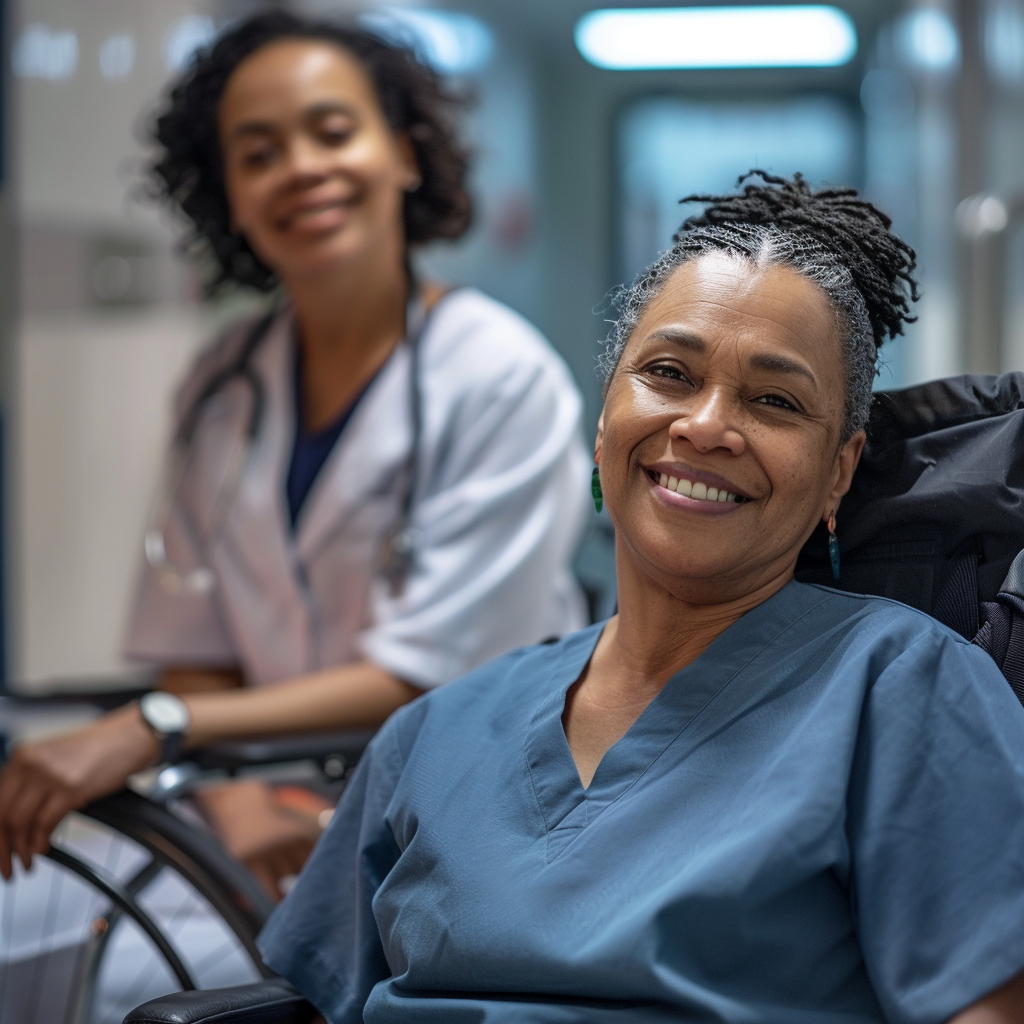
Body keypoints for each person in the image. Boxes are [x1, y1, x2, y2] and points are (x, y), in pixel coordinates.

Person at [258, 173, 1024, 1024]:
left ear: (838, 471)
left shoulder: (908, 689)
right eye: (668, 373)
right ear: (604, 419)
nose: (704, 425)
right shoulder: (435, 733)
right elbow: (310, 1002)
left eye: (774, 400)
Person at [0, 12, 590, 892]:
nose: (302, 168)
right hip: (268, 817)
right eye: (258, 151)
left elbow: (421, 675)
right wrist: (240, 817)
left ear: (404, 152)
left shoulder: (501, 376)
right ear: (229, 193)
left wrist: (156, 725)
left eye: (333, 130)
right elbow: (191, 632)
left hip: (478, 822)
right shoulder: (222, 380)